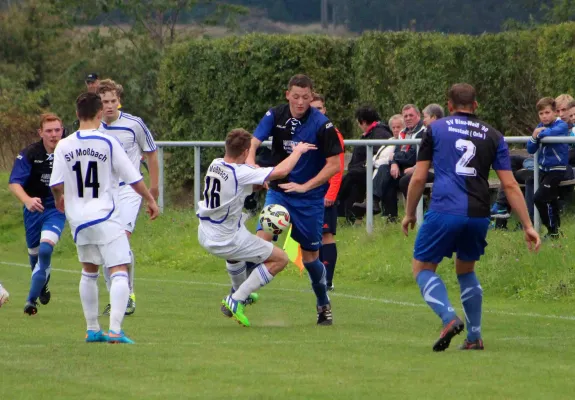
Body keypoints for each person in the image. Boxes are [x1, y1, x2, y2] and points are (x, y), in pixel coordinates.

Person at [402, 83, 540, 352]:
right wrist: (528, 225)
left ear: (449, 106)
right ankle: (474, 336)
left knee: (422, 268)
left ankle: (449, 317)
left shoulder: (436, 129)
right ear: (476, 105)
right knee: (466, 270)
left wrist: (409, 213)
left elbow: (418, 177)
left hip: (444, 210)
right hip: (478, 213)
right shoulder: (494, 135)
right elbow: (510, 185)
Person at [49, 92, 159, 344]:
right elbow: (133, 178)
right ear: (100, 114)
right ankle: (115, 331)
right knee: (119, 268)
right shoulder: (107, 142)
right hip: (106, 215)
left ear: (77, 115)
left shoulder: (64, 145)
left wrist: (59, 200)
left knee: (89, 271)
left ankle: (92, 329)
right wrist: (151, 200)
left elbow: (56, 184)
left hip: (78, 219)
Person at [247, 74, 344, 325]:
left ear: (312, 97)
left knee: (311, 258)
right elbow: (253, 142)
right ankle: (242, 293)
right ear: (287, 94)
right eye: (296, 96)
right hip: (279, 192)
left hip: (309, 199)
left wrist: (305, 186)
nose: (300, 102)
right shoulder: (275, 115)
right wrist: (253, 168)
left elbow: (334, 165)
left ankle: (323, 304)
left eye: (306, 97)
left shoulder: (323, 125)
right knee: (260, 242)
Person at [198, 129, 316, 327]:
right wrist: (298, 151)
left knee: (235, 256)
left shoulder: (215, 164)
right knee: (280, 259)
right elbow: (281, 172)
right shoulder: (240, 172)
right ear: (245, 152)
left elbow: (239, 185)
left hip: (205, 232)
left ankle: (239, 293)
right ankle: (236, 299)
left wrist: (257, 185)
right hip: (227, 239)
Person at [97, 79, 159, 315]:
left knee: (120, 240)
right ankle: (116, 294)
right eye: (104, 102)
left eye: (113, 101)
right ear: (99, 104)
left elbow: (151, 154)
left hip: (130, 190)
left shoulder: (134, 124)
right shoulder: (93, 128)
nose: (109, 106)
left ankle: (128, 294)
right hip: (104, 193)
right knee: (106, 244)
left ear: (119, 101)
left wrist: (153, 189)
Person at [8, 113, 66, 315]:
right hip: (34, 209)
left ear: (62, 130)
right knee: (34, 256)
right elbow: (14, 183)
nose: (54, 135)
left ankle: (30, 301)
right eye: (49, 131)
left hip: (56, 209)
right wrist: (27, 200)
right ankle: (41, 285)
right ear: (40, 133)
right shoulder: (30, 154)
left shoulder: (69, 150)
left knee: (45, 250)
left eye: (57, 130)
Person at [310, 93, 345, 291]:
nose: (317, 112)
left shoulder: (333, 133)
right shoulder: (308, 132)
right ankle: (319, 280)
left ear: (325, 110)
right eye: (313, 109)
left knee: (326, 236)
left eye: (320, 108)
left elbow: (337, 168)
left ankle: (328, 281)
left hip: (325, 193)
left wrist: (330, 194)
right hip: (310, 192)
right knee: (312, 237)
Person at [338, 106, 391, 222]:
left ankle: (334, 199)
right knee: (353, 182)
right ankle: (351, 217)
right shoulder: (369, 133)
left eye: (358, 122)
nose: (358, 125)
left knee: (351, 177)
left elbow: (377, 155)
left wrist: (357, 167)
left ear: (363, 121)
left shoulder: (380, 133)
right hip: (362, 170)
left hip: (373, 171)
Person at [527, 97, 570, 239]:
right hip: (544, 169)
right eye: (541, 113)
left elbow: (551, 133)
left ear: (555, 112)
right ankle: (555, 232)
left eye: (547, 112)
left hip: (557, 169)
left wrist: (540, 134)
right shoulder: (539, 126)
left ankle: (552, 230)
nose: (544, 116)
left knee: (539, 198)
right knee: (551, 200)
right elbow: (530, 148)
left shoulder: (561, 125)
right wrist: (535, 135)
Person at [398, 104, 444, 200]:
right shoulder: (434, 131)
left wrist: (415, 168)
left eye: (425, 117)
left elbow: (430, 157)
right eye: (405, 116)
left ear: (434, 117)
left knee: (405, 180)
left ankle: (415, 211)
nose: (424, 120)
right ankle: (390, 213)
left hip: (437, 171)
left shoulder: (435, 133)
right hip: (431, 169)